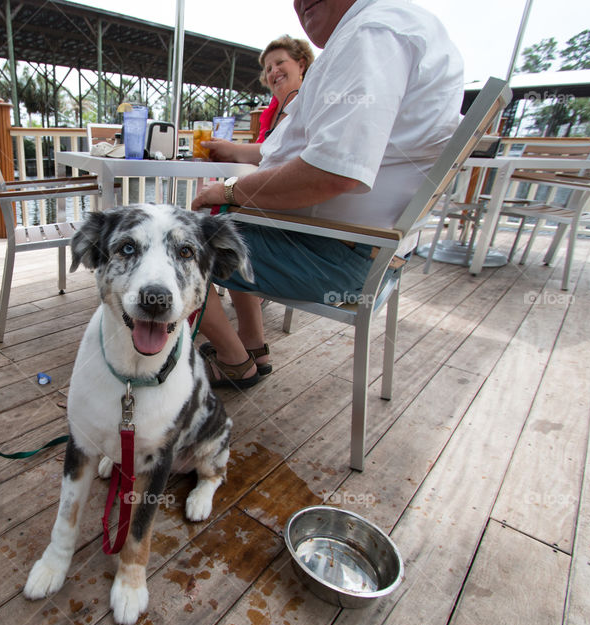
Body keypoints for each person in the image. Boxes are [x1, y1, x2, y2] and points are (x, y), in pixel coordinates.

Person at [190, 0, 464, 388]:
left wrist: (231, 189)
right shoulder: (394, 27)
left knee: (172, 245)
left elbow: (332, 173)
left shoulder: (372, 32)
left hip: (339, 256)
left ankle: (235, 362)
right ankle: (252, 345)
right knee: (222, 224)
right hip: (365, 250)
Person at [257, 36, 314, 143]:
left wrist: (232, 149)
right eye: (268, 69)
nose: (274, 71)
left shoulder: (314, 104)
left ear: (301, 66)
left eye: (280, 62)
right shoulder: (269, 114)